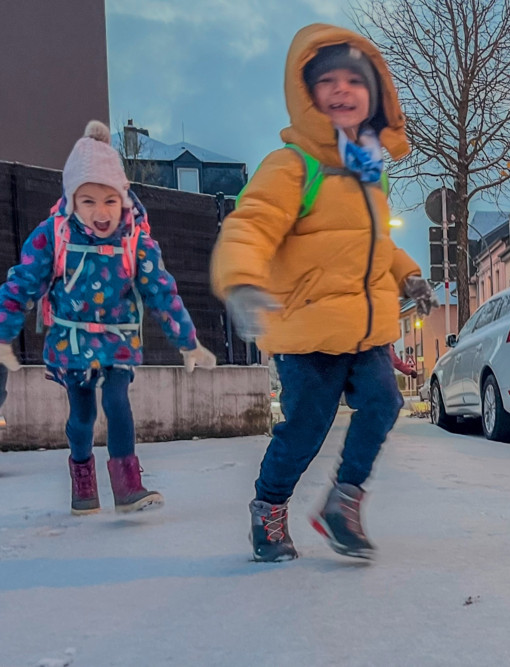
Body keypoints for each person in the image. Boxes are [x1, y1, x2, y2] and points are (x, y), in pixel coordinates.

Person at [211, 24, 437, 562]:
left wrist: (407, 274)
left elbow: (372, 245)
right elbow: (250, 225)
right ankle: (269, 506)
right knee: (307, 427)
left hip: (364, 330)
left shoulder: (368, 174)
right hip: (308, 330)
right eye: (327, 81)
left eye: (354, 81)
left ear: (374, 94)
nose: (341, 90)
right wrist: (241, 280)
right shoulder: (292, 166)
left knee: (383, 403)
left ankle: (344, 500)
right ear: (306, 95)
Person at [0, 121, 217, 515]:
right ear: (71, 201)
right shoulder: (54, 235)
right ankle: (82, 479)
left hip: (117, 342)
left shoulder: (136, 240)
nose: (101, 213)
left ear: (124, 198)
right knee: (82, 417)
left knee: (118, 402)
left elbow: (161, 291)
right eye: (88, 201)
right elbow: (23, 282)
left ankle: (126, 485)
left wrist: (188, 340)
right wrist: (3, 334)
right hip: (72, 345)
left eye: (109, 201)